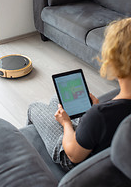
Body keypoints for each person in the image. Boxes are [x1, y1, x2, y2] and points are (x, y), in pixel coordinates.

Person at [27, 17, 131, 171]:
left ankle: (34, 160)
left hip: (78, 159)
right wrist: (95, 110)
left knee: (34, 107)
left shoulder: (100, 115)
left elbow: (74, 155)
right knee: (57, 100)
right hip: (97, 138)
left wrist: (66, 124)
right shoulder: (101, 113)